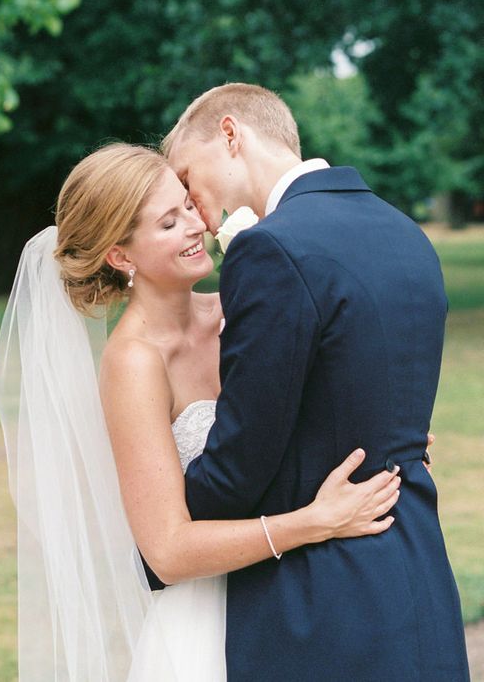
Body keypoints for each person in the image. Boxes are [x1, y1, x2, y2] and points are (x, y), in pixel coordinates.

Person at [0, 142, 409, 681]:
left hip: (302, 600)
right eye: (168, 223)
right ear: (121, 256)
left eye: (188, 206)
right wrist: (313, 523)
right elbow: (166, 549)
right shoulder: (134, 363)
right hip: (206, 625)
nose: (194, 226)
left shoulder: (244, 310)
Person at [163, 82, 469, 680]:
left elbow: (240, 463)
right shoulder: (406, 232)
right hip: (418, 576)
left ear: (231, 135)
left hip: (319, 603)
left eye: (188, 176)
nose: (194, 205)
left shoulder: (272, 250)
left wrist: (157, 539)